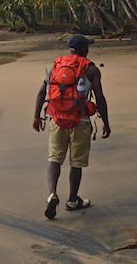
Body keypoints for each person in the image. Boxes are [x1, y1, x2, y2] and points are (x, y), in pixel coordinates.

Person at [33, 34, 110, 219]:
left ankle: (52, 193)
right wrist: (106, 122)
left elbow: (42, 92)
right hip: (80, 120)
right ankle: (73, 200)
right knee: (76, 163)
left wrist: (36, 116)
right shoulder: (90, 69)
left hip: (56, 118)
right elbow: (99, 97)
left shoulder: (56, 65)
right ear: (84, 49)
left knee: (54, 158)